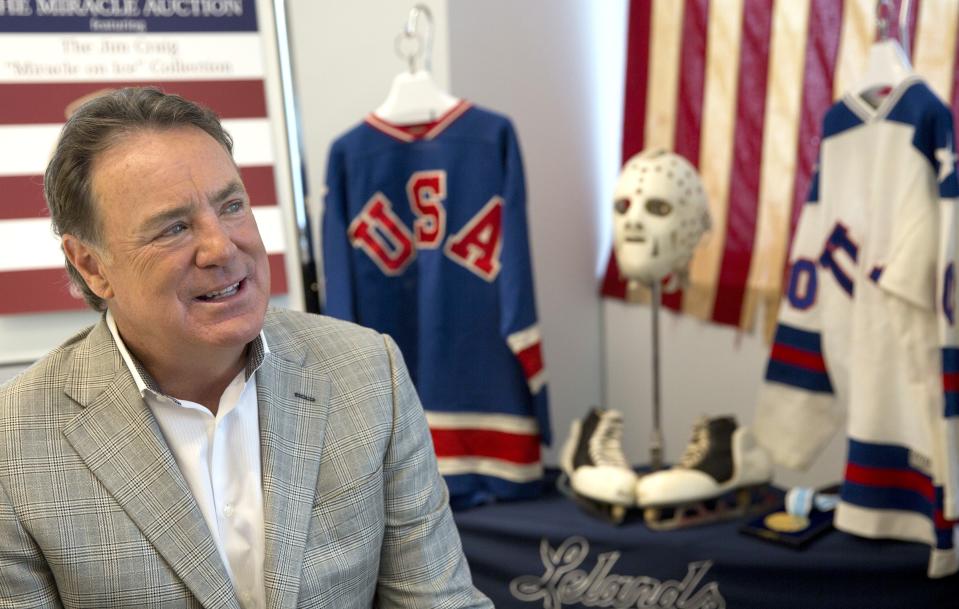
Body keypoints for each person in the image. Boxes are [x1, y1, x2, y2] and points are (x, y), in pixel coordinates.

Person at [0, 87, 493, 609]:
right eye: (174, 228)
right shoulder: (16, 444)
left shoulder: (368, 373)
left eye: (231, 206)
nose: (222, 247)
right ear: (92, 266)